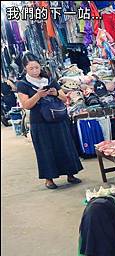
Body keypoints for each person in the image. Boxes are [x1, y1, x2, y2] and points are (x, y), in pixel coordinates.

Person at [16, 53, 83, 189]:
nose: (35, 71)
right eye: (31, 69)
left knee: (64, 145)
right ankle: (49, 179)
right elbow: (26, 105)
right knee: (45, 150)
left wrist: (55, 93)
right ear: (25, 69)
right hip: (39, 122)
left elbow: (65, 98)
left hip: (58, 118)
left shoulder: (49, 79)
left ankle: (71, 174)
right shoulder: (22, 84)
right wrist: (38, 95)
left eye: (36, 67)